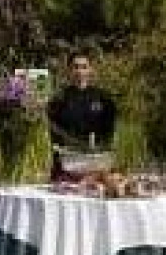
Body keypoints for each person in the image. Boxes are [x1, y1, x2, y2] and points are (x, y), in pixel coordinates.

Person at [47, 51, 118, 179]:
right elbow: (54, 134)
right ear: (69, 70)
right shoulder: (58, 100)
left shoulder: (104, 99)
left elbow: (109, 134)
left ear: (91, 70)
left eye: (84, 67)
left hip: (96, 167)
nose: (80, 72)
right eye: (76, 67)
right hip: (67, 166)